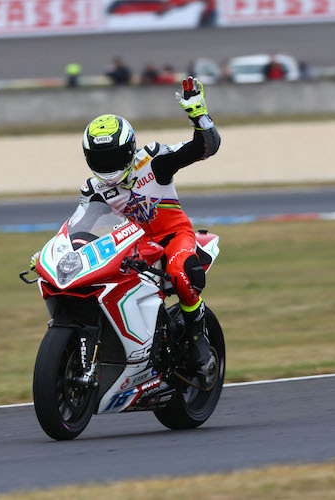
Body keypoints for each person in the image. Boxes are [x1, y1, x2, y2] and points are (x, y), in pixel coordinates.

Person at [32, 77, 220, 382]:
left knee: (180, 271)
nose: (106, 165)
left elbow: (204, 148)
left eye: (112, 157)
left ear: (129, 149)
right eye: (99, 158)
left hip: (173, 237)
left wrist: (197, 113)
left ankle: (198, 338)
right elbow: (78, 226)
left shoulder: (154, 160)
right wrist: (59, 252)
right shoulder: (93, 188)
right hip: (130, 245)